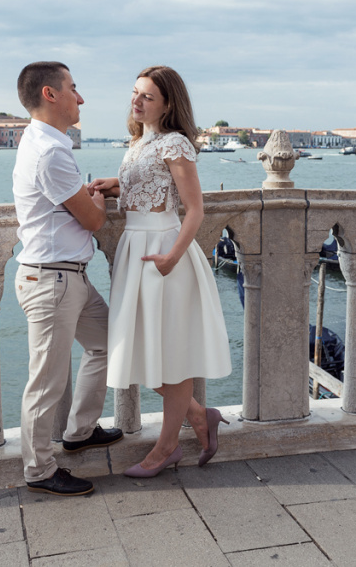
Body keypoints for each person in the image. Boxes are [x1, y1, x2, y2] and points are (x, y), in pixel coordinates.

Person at [89, 65, 231, 477]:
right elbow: (152, 185)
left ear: (168, 105)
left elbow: (195, 209)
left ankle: (166, 449)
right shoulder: (139, 142)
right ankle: (200, 416)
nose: (137, 101)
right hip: (134, 249)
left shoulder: (175, 143)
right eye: (135, 93)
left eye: (147, 96)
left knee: (171, 353)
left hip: (163, 254)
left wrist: (171, 258)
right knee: (135, 348)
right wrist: (117, 185)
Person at [12, 61, 123, 496]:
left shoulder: (44, 142)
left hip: (65, 277)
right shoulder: (50, 152)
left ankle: (80, 431)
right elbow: (93, 221)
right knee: (46, 382)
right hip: (52, 281)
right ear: (50, 94)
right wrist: (96, 198)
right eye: (73, 88)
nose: (81, 98)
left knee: (107, 341)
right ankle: (39, 469)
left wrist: (88, 196)